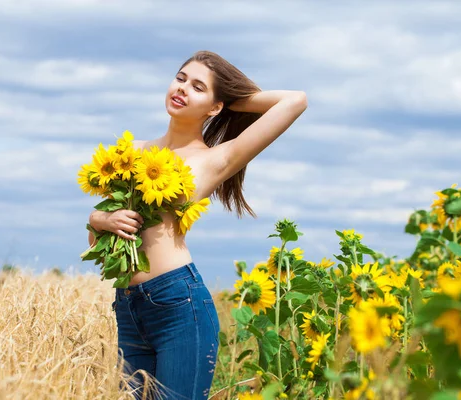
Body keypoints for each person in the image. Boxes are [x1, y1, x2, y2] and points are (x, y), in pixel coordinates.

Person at [86, 50, 307, 399]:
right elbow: (97, 243)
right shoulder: (131, 151)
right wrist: (98, 218)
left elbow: (296, 101)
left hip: (178, 305)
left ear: (214, 107)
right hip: (128, 306)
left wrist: (231, 99)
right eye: (181, 78)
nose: (183, 88)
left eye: (198, 87)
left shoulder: (214, 160)